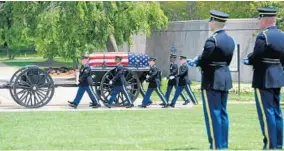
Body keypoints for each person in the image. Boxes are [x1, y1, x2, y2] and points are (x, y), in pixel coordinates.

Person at [188, 10, 235, 149]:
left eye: (211, 21)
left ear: (214, 22)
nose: (210, 23)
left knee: (213, 113)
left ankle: (215, 145)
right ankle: (223, 144)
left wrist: (196, 61)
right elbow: (227, 60)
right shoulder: (230, 40)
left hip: (212, 80)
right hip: (224, 78)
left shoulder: (212, 40)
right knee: (223, 113)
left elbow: (205, 60)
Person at [242, 8, 284, 150]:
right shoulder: (282, 35)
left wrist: (248, 59)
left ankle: (270, 144)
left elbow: (257, 56)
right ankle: (278, 144)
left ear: (266, 20)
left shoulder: (263, 37)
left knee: (267, 113)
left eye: (260, 19)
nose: (259, 21)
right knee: (277, 112)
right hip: (277, 77)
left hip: (264, 78)